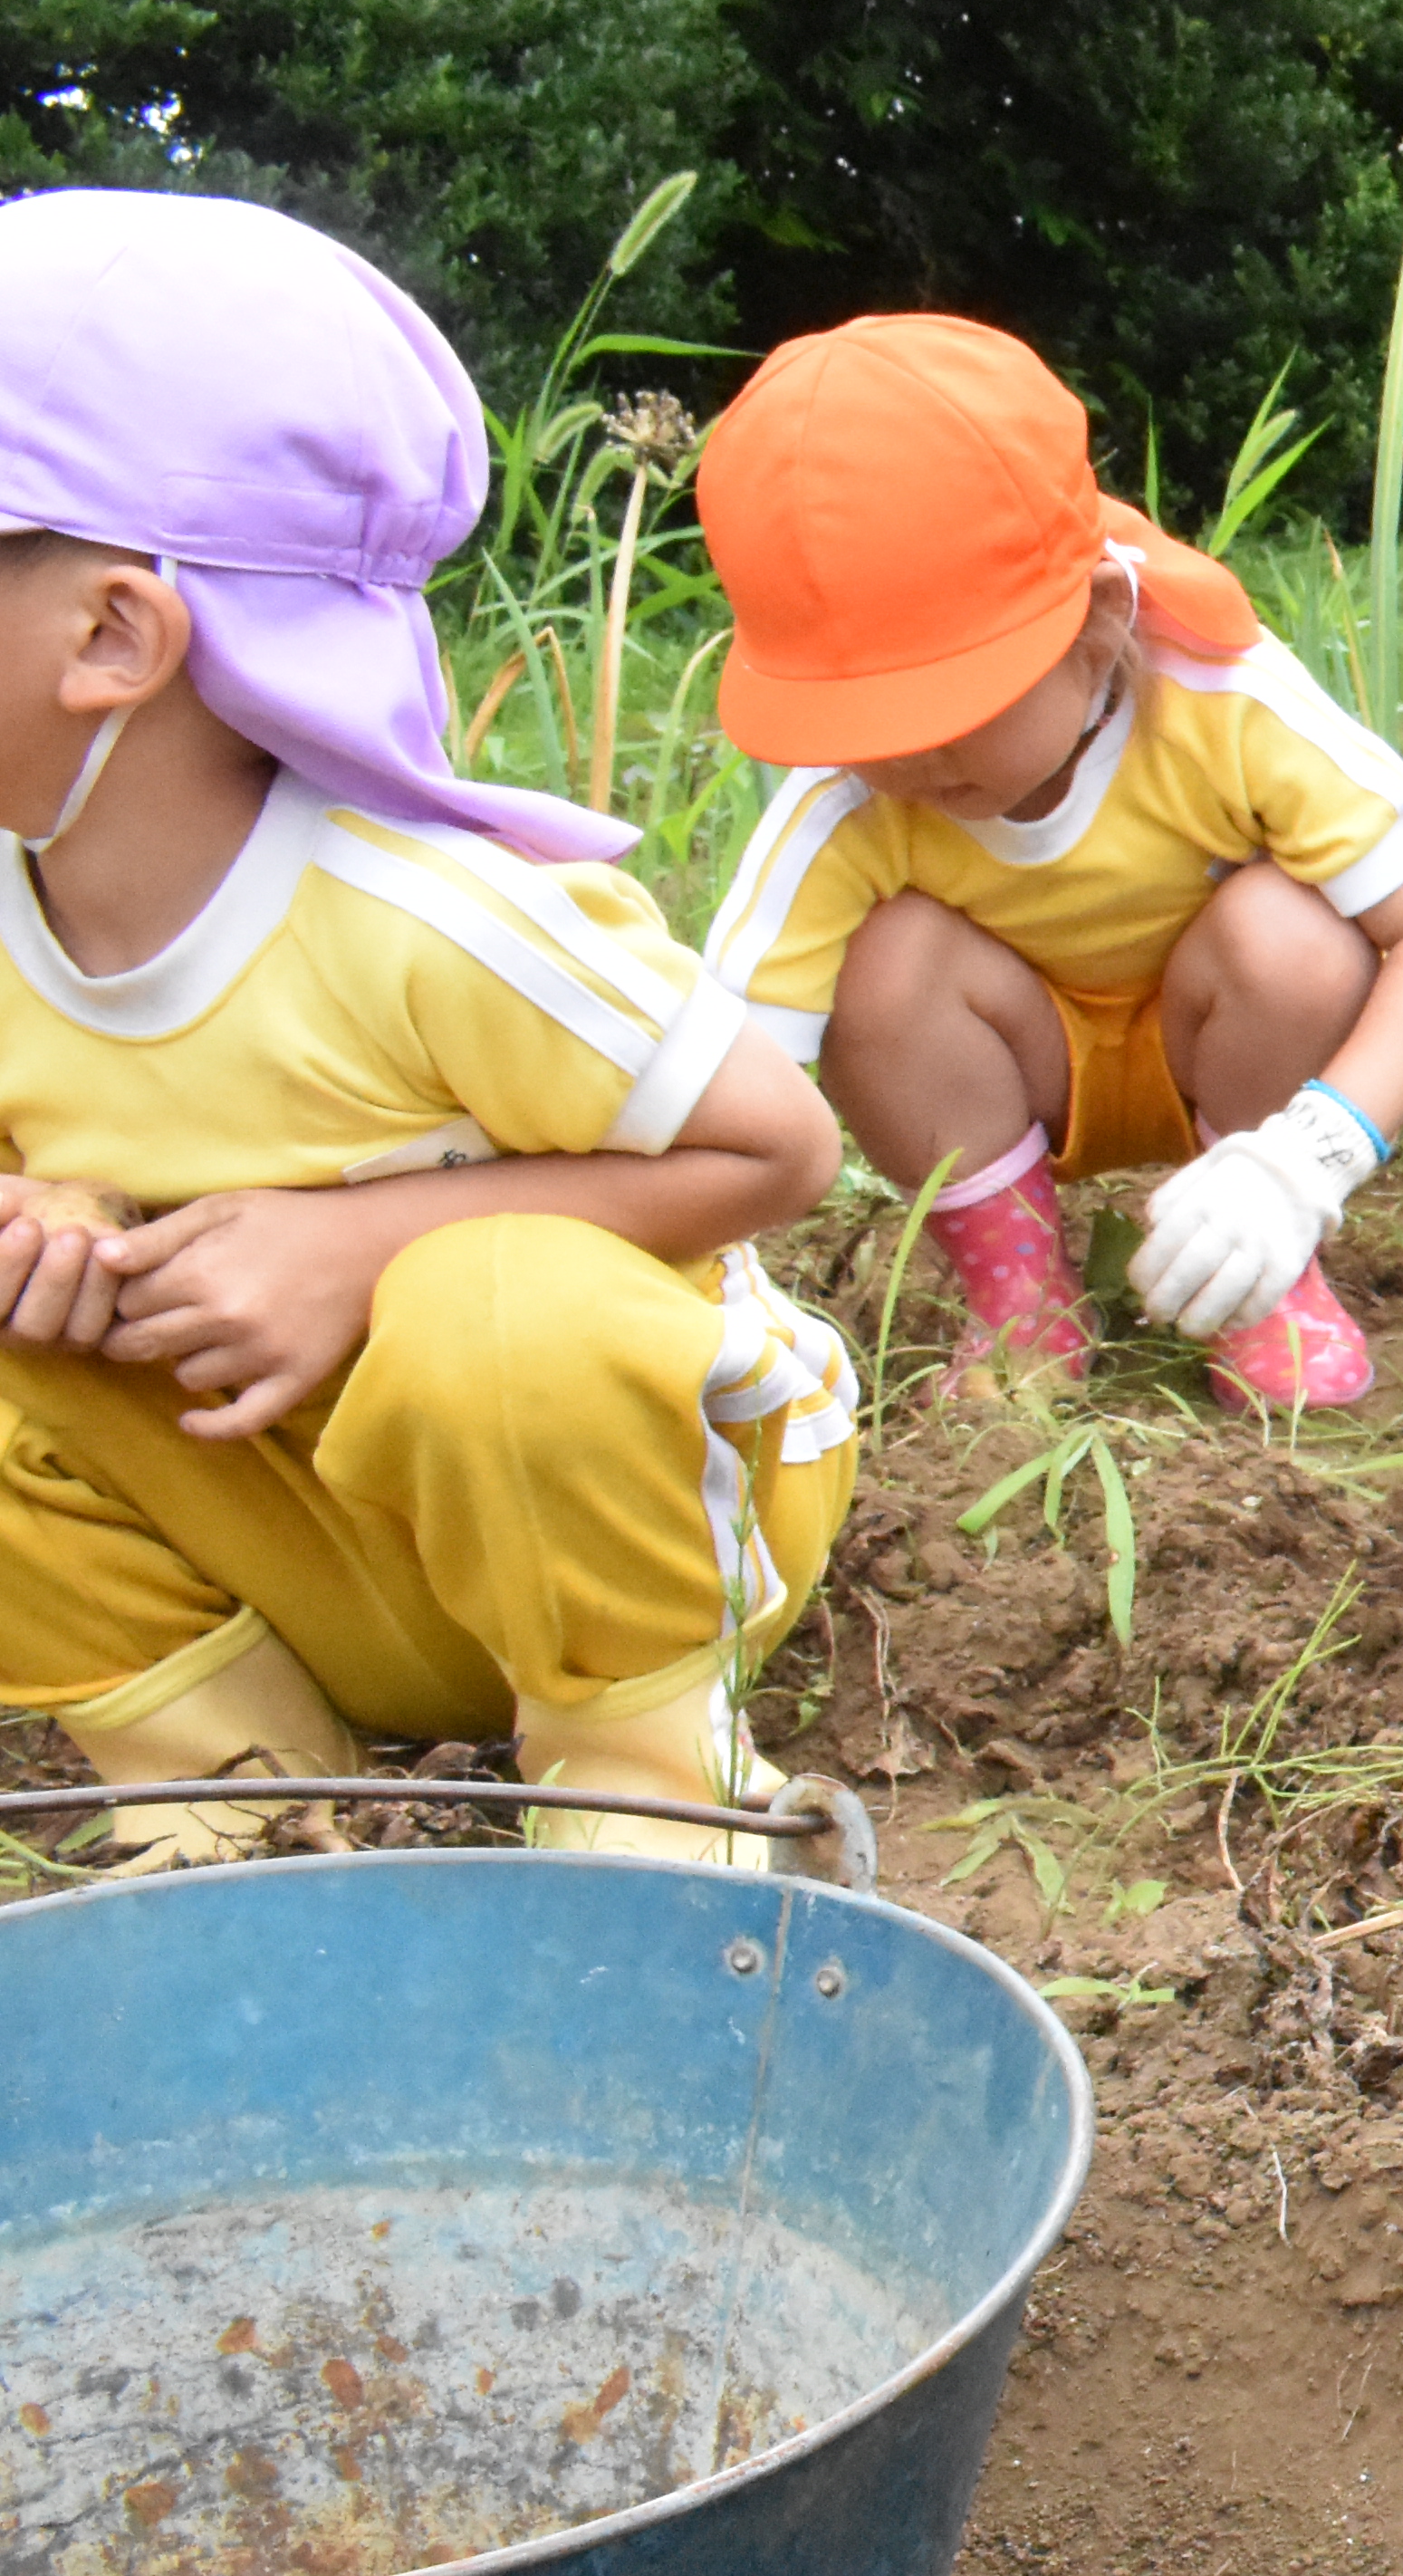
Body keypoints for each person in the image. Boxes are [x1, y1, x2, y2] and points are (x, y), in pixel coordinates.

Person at [0, 190, 857, 1866]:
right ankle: (237, 1805)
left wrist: (358, 1247)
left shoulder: (434, 918)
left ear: (113, 634)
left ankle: (643, 1792)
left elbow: (777, 1145)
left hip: (625, 1531)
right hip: (293, 1554)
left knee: (496, 1307)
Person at [688, 315, 1403, 1412]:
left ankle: (1259, 1274)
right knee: (883, 966)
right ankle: (1022, 1303)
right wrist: (705, 1288)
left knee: (1291, 935)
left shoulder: (1224, 701)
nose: (911, 755)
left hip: (1226, 1056)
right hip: (1010, 1069)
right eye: (867, 719)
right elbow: (729, 1074)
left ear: (1099, 620)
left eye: (952, 704)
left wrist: (1308, 1162)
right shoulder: (844, 798)